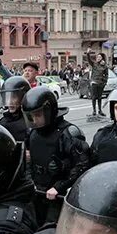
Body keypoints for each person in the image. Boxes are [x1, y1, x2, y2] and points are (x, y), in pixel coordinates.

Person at [23, 86, 91, 225]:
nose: (35, 120)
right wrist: (30, 181)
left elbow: (83, 164)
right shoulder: (33, 133)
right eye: (32, 116)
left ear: (49, 111)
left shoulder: (68, 133)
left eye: (38, 115)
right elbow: (29, 159)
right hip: (37, 191)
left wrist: (59, 186)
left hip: (59, 196)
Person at [0, 75, 30, 142]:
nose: (10, 101)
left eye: (14, 97)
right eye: (7, 97)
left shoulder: (30, 123)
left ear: (23, 97)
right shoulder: (2, 119)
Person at [88, 53, 110, 119]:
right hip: (94, 82)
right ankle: (94, 111)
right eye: (98, 57)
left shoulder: (104, 66)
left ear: (102, 58)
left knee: (99, 97)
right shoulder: (94, 64)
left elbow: (106, 74)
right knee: (94, 97)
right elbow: (89, 60)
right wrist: (88, 53)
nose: (98, 58)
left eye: (100, 57)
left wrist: (104, 82)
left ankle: (100, 110)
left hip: (100, 83)